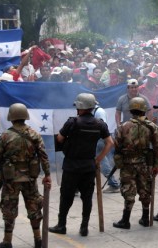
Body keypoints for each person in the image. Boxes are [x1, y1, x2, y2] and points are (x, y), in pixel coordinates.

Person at [49, 93, 113, 237]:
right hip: (89, 166)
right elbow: (110, 142)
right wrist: (98, 159)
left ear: (80, 106)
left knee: (66, 197)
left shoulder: (72, 122)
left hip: (71, 166)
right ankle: (84, 227)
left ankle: (61, 225)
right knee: (87, 197)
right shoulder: (100, 124)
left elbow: (59, 138)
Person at [0, 103, 51, 248]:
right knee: (34, 208)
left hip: (11, 180)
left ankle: (7, 242)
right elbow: (44, 156)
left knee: (9, 209)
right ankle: (38, 240)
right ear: (25, 117)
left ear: (11, 118)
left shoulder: (5, 136)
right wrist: (47, 174)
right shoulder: (34, 134)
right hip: (30, 178)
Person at [113, 97, 158, 229]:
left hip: (128, 164)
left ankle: (125, 220)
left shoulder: (123, 127)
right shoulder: (151, 127)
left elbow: (117, 145)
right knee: (145, 189)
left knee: (129, 190)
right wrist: (157, 164)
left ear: (131, 110)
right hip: (145, 164)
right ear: (144, 110)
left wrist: (119, 161)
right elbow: (157, 147)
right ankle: (145, 218)